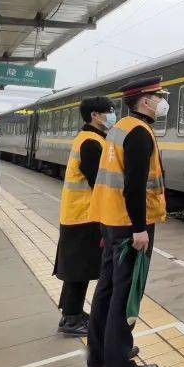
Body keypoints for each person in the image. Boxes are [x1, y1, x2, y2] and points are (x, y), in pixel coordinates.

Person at [87, 77, 170, 367]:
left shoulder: (120, 128)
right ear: (145, 101)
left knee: (107, 288)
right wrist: (139, 229)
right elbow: (134, 186)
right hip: (130, 225)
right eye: (158, 95)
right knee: (125, 294)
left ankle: (99, 354)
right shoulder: (139, 133)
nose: (162, 100)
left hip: (111, 222)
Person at [54, 97, 115, 337]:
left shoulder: (91, 139)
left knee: (79, 268)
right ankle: (70, 319)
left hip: (79, 213)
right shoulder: (91, 142)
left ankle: (73, 313)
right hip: (84, 215)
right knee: (79, 269)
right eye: (108, 112)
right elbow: (98, 183)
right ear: (95, 116)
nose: (112, 115)